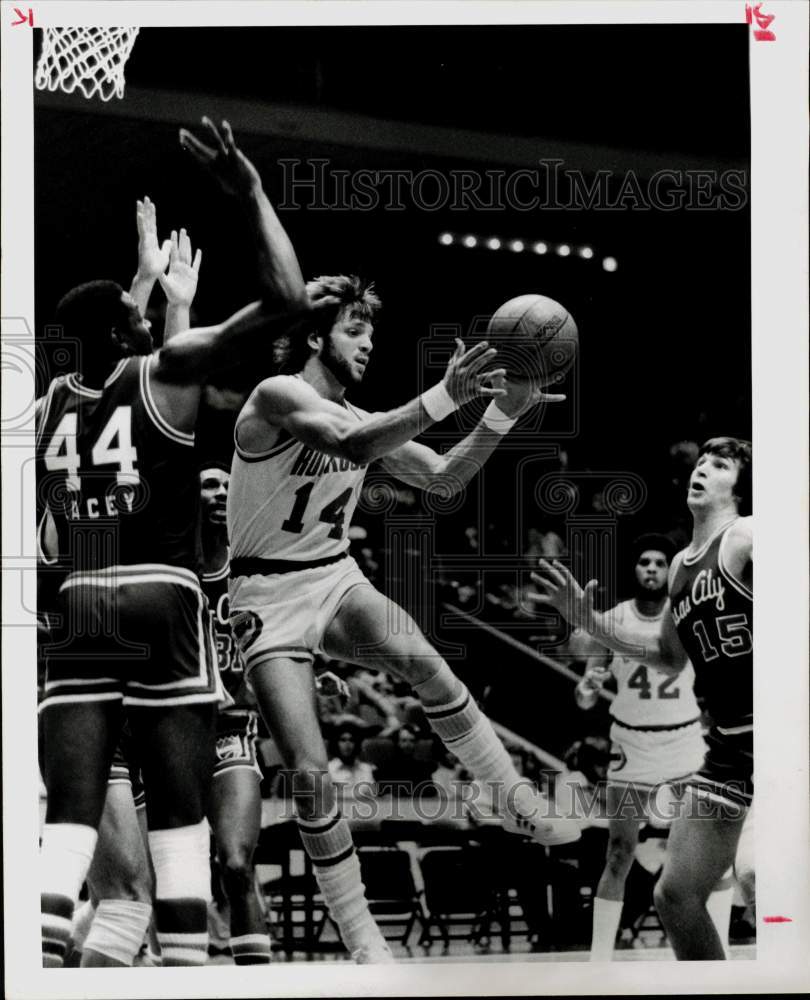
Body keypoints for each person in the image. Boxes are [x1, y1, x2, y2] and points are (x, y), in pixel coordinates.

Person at [195, 177, 583, 958]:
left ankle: (513, 796)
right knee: (309, 771)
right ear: (315, 335)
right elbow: (351, 445)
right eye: (355, 329)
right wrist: (444, 394)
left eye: (372, 330)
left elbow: (441, 479)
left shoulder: (366, 416)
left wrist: (501, 412)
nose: (368, 342)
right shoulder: (275, 395)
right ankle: (362, 931)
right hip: (263, 594)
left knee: (423, 659)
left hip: (333, 577)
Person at [36, 117, 337, 968]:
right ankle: (187, 976)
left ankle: (41, 961)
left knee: (68, 826)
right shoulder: (164, 369)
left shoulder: (52, 404)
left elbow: (95, 328)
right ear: (133, 328)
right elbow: (285, 301)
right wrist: (251, 193)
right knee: (180, 826)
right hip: (162, 596)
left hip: (76, 606)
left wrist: (144, 287)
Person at [531, 437, 753, 960]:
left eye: (719, 465)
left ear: (739, 488)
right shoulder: (681, 567)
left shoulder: (746, 535)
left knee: (753, 874)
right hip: (721, 749)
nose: (702, 468)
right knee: (673, 896)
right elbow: (667, 655)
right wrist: (589, 623)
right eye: (701, 461)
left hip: (768, 735)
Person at [571, 533, 712, 961]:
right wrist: (588, 686)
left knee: (703, 852)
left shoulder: (687, 614)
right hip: (632, 743)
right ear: (634, 570)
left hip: (685, 740)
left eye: (658, 562)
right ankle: (598, 961)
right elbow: (584, 698)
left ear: (669, 570)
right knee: (619, 852)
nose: (651, 568)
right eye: (644, 562)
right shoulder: (610, 622)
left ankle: (716, 955)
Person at [199, 465, 272, 965]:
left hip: (230, 730)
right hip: (168, 730)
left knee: (238, 866)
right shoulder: (168, 564)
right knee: (159, 880)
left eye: (227, 484)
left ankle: (256, 983)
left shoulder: (257, 569)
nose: (220, 492)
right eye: (208, 484)